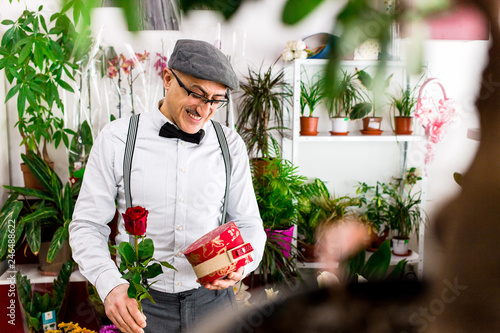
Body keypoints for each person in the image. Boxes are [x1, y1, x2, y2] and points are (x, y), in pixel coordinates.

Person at [69, 39, 266, 333]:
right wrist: (110, 286)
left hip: (214, 305)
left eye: (216, 99)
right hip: (141, 304)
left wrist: (240, 265)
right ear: (168, 79)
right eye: (197, 94)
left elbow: (249, 225)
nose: (205, 109)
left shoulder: (230, 144)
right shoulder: (117, 139)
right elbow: (87, 225)